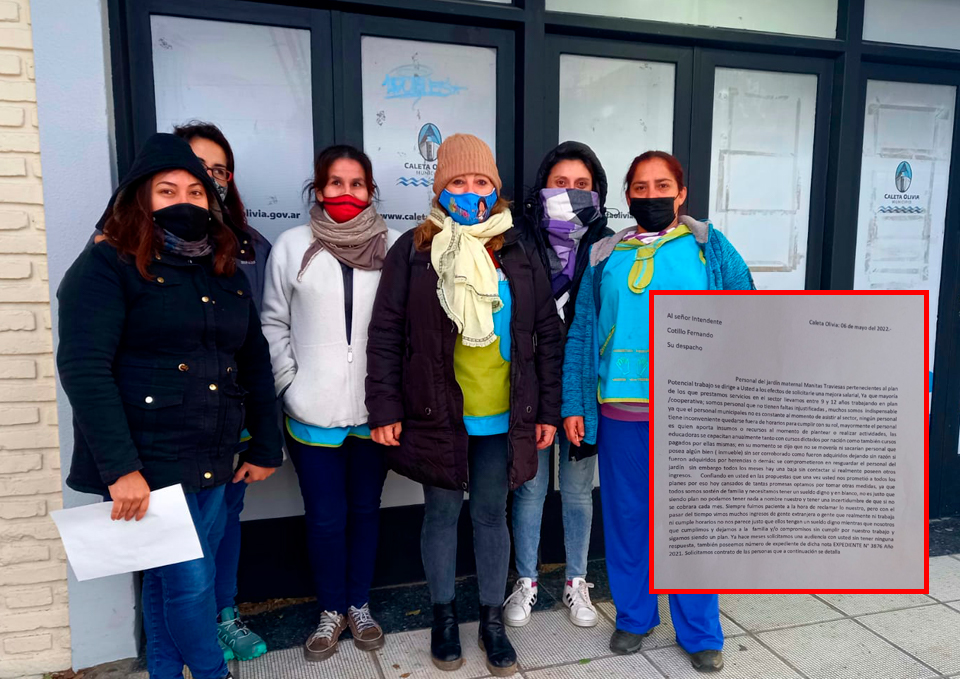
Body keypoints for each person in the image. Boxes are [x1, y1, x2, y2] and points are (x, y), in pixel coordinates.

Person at [57, 133, 283, 679]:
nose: (185, 201)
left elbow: (254, 359)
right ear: (140, 199)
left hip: (215, 454)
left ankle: (164, 672)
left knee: (166, 579)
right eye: (167, 190)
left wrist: (267, 443)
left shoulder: (222, 269)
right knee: (190, 583)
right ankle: (211, 673)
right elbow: (84, 369)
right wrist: (121, 469)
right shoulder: (104, 267)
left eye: (196, 192)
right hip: (150, 464)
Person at [365, 134, 563, 677]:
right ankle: (444, 616)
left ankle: (491, 620)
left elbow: (546, 331)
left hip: (503, 416)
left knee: (490, 515)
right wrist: (383, 408)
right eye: (458, 181)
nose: (469, 192)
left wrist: (547, 410)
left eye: (480, 182)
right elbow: (386, 333)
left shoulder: (516, 250)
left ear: (494, 189)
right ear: (440, 188)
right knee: (442, 514)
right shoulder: (415, 249)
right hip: (439, 415)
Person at [562, 150, 755, 673]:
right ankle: (634, 617)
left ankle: (699, 630)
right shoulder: (603, 253)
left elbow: (747, 316)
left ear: (681, 192)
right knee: (627, 519)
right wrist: (576, 404)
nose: (652, 196)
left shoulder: (707, 247)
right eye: (641, 188)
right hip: (621, 413)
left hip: (691, 414)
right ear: (628, 196)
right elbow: (581, 331)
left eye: (662, 185)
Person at [261, 145, 396, 662]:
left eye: (357, 183)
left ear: (371, 190)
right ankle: (330, 610)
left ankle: (359, 606)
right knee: (323, 517)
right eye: (335, 184)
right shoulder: (293, 245)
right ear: (319, 191)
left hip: (375, 412)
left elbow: (404, 326)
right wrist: (289, 384)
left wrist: (393, 396)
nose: (346, 193)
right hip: (311, 411)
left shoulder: (394, 245)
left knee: (365, 510)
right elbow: (272, 322)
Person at [172, 120, 273, 663]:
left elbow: (258, 342)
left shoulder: (249, 246)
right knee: (182, 540)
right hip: (174, 424)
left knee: (227, 516)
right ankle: (192, 633)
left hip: (234, 414)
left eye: (217, 171)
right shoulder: (132, 246)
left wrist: (260, 423)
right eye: (194, 167)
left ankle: (224, 613)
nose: (207, 180)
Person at [504, 142, 612, 629]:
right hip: (527, 387)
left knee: (576, 491)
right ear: (543, 188)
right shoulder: (516, 238)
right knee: (527, 489)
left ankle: (575, 582)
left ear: (598, 191)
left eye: (582, 186)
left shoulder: (609, 246)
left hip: (583, 390)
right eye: (561, 184)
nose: (571, 193)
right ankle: (524, 581)